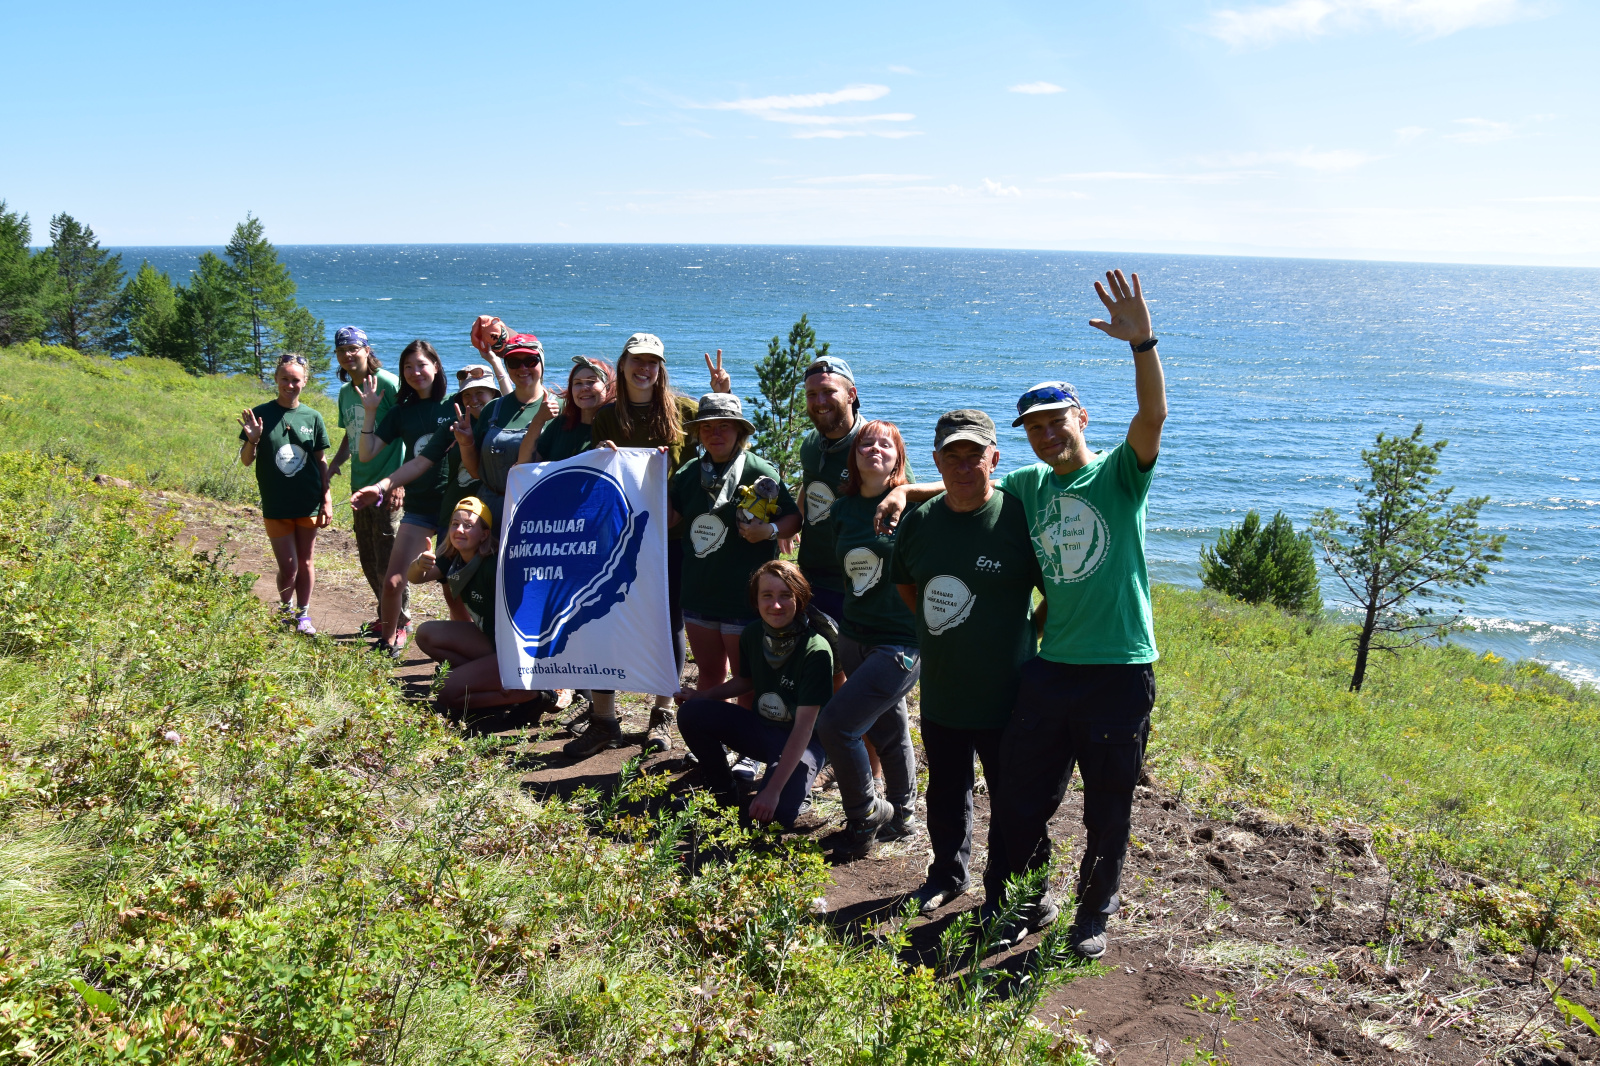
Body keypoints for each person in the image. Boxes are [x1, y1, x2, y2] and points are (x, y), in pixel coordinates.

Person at [874, 269, 1168, 959]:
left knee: (1107, 810)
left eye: (1055, 424)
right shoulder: (1030, 485)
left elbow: (1152, 418)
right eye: (1033, 429)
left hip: (1120, 670)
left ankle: (1094, 912)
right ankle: (1013, 905)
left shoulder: (1122, 474)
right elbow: (969, 483)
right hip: (1050, 670)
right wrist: (905, 490)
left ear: (1081, 421)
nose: (1045, 437)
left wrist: (1142, 344)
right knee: (1018, 802)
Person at [889, 409, 1043, 917]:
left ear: (994, 458)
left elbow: (1057, 592)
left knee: (1016, 803)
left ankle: (1017, 894)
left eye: (973, 455)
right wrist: (943, 631)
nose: (962, 466)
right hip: (943, 692)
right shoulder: (920, 523)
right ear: (935, 461)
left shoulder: (1018, 519)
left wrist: (1027, 633)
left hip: (1009, 695)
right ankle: (947, 876)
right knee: (947, 796)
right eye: (951, 456)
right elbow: (907, 584)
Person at [573, 335, 731, 758]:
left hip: (673, 538)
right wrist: (601, 452)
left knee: (669, 624)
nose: (645, 369)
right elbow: (598, 473)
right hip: (620, 538)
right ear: (623, 365)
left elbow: (723, 440)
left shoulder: (683, 411)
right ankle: (604, 719)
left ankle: (662, 713)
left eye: (653, 362)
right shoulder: (607, 416)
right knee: (603, 618)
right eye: (637, 361)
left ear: (661, 368)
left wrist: (722, 395)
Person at [814, 420, 921, 859]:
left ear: (898, 458)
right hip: (854, 635)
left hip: (901, 640)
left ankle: (864, 814)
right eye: (866, 443)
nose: (874, 449)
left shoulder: (916, 507)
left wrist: (906, 492)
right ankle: (905, 815)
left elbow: (983, 483)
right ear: (854, 457)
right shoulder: (842, 511)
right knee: (889, 728)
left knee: (837, 725)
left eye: (885, 444)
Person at [675, 560, 831, 829]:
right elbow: (745, 681)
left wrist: (772, 791)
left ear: (800, 597)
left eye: (786, 596)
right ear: (755, 600)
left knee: (772, 819)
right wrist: (703, 696)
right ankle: (722, 789)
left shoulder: (815, 650)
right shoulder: (753, 633)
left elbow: (805, 729)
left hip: (804, 744)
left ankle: (792, 791)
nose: (776, 605)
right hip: (761, 728)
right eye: (767, 596)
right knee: (692, 713)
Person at [670, 393, 801, 707]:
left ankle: (746, 751)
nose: (715, 434)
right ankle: (710, 742)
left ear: (740, 432)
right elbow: (671, 517)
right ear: (699, 433)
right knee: (709, 673)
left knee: (747, 681)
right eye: (708, 427)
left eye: (724, 426)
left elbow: (793, 518)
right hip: (699, 594)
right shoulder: (689, 472)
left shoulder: (759, 470)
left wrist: (768, 530)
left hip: (744, 599)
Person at [349, 339, 457, 655]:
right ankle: (391, 637)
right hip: (419, 509)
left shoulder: (454, 406)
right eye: (407, 367)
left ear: (436, 367)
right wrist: (370, 412)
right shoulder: (401, 413)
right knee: (393, 582)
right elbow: (367, 453)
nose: (414, 372)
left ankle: (461, 649)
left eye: (421, 364)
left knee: (453, 589)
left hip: (454, 511)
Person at [408, 497, 541, 724]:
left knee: (445, 692)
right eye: (454, 523)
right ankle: (489, 685)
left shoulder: (493, 566)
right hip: (491, 641)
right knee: (426, 633)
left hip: (516, 651)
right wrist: (420, 564)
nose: (459, 530)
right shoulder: (453, 558)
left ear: (484, 534)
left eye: (468, 525)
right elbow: (414, 578)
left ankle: (534, 695)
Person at [237, 353, 333, 635]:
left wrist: (326, 498)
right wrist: (253, 440)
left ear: (304, 382)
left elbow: (320, 460)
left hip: (308, 502)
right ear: (276, 380)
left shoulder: (312, 417)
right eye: (284, 379)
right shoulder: (260, 414)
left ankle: (303, 614)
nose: (290, 385)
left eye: (295, 380)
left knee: (305, 561)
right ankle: (285, 608)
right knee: (288, 566)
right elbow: (245, 460)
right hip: (276, 504)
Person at [326, 327, 406, 636]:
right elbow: (351, 434)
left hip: (388, 485)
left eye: (353, 348)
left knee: (390, 559)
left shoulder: (387, 383)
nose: (348, 354)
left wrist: (401, 482)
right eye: (342, 350)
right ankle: (386, 615)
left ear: (366, 350)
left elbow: (407, 429)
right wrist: (334, 465)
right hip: (359, 487)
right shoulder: (346, 393)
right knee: (369, 558)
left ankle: (402, 620)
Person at [456, 325, 561, 523]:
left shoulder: (561, 408)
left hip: (534, 509)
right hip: (488, 508)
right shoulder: (493, 408)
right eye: (513, 362)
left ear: (542, 362)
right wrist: (466, 443)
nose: (522, 368)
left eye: (530, 361)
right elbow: (476, 472)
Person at [796, 356, 861, 625]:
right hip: (811, 577)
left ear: (851, 395)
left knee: (850, 664)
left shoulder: (873, 445)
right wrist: (792, 522)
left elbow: (906, 498)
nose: (819, 401)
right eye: (812, 394)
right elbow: (811, 481)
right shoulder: (812, 442)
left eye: (828, 392)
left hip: (854, 583)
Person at [520, 356, 615, 464]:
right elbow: (524, 464)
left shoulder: (617, 427)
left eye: (591, 381)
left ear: (607, 387)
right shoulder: (561, 424)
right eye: (578, 383)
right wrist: (538, 420)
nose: (584, 388)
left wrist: (612, 455)